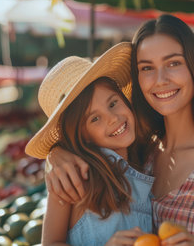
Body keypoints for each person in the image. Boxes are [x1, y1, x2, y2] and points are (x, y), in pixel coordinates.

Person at [46, 14, 194, 245]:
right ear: (138, 77)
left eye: (173, 63)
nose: (160, 80)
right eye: (147, 67)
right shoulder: (141, 154)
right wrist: (56, 155)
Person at [25, 43, 156, 246]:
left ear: (124, 99)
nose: (112, 119)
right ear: (81, 134)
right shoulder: (74, 179)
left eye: (113, 103)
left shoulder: (146, 160)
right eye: (95, 119)